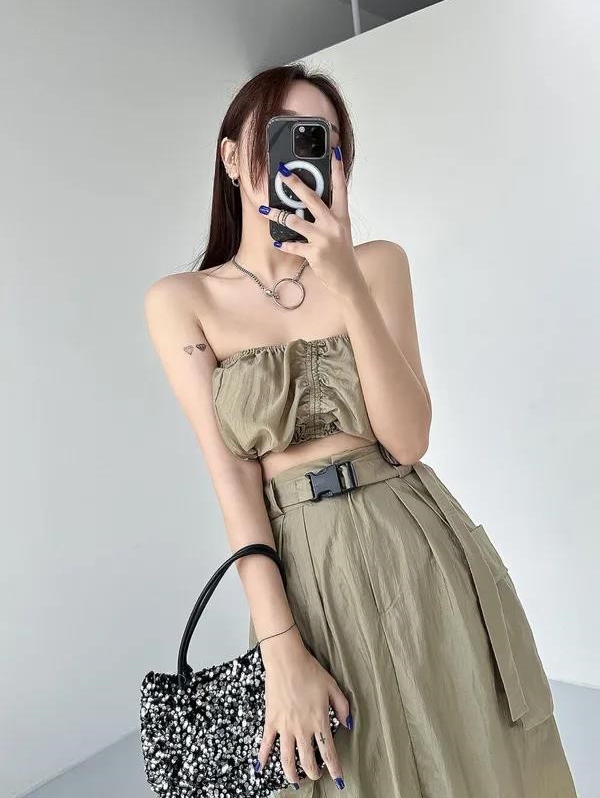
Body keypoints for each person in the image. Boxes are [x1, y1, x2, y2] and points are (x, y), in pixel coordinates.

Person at [144, 63, 578, 797]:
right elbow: (232, 478)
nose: (303, 155)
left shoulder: (377, 266)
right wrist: (280, 647)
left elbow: (407, 440)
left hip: (418, 546)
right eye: (280, 135)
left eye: (322, 140)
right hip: (304, 572)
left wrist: (342, 278)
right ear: (232, 157)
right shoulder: (183, 302)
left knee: (472, 758)